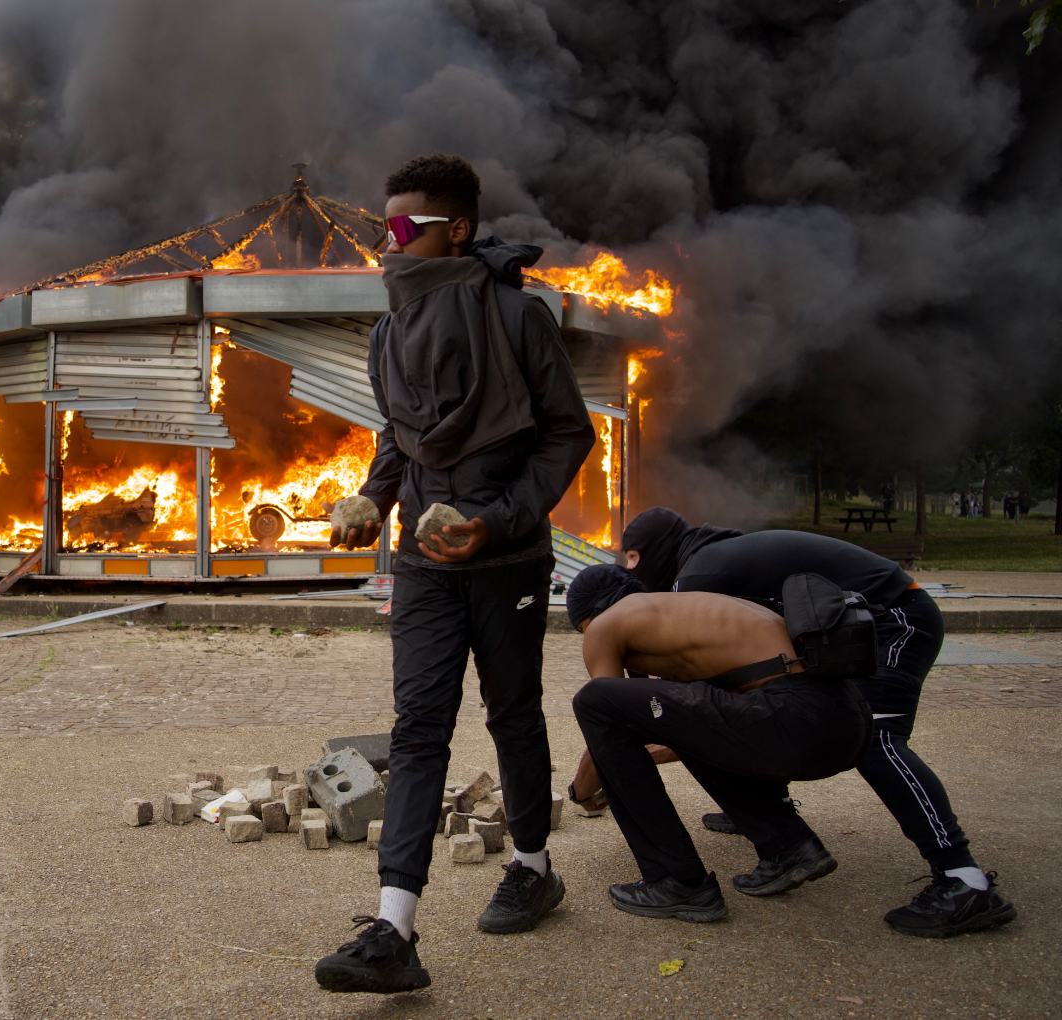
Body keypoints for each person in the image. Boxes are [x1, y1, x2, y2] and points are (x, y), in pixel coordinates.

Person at [314, 152, 596, 995]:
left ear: (457, 231)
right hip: (423, 567)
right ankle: (393, 930)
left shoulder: (519, 319)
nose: (387, 243)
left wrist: (497, 521)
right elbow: (398, 438)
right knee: (418, 729)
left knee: (513, 714)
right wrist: (371, 496)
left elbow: (569, 434)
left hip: (506, 558)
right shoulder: (387, 332)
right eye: (382, 228)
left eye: (403, 228)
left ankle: (534, 867)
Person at [615, 507, 1018, 938]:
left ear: (648, 556)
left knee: (876, 739)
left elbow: (692, 696)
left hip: (893, 618)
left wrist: (645, 746)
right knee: (753, 702)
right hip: (848, 627)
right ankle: (764, 811)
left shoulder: (696, 577)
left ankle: (963, 879)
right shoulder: (711, 560)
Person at [566, 565, 870, 922]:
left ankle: (677, 880)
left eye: (581, 630)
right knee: (687, 719)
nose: (587, 640)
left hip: (793, 717)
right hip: (844, 725)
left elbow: (609, 716)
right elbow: (695, 727)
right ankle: (788, 846)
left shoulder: (606, 624)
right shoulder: (684, 615)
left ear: (590, 614)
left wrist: (581, 791)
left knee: (593, 700)